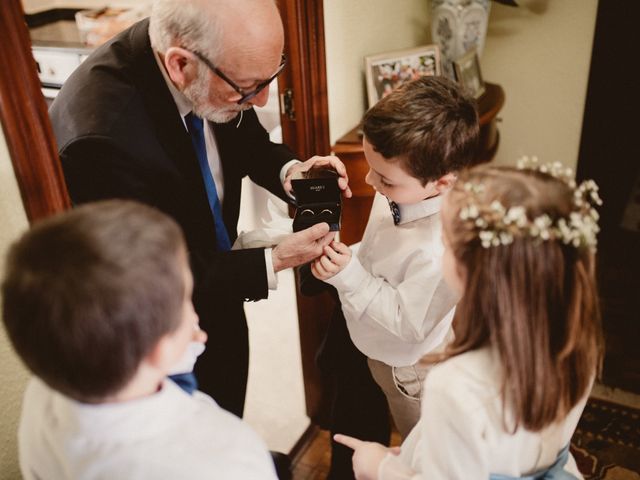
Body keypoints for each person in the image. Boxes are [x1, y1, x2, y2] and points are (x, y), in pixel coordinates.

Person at [49, 0, 351, 417]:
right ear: (179, 65)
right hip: (163, 335)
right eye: (248, 88)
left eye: (269, 79)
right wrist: (274, 259)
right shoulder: (101, 140)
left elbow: (245, 136)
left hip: (222, 295)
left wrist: (290, 170)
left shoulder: (209, 57)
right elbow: (147, 276)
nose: (261, 99)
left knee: (227, 404)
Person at [335, 161, 604, 479]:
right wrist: (416, 454)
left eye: (448, 241)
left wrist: (378, 466)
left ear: (472, 272)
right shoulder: (576, 343)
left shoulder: (455, 385)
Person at [2, 200, 279, 480]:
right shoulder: (232, 457)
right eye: (186, 299)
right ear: (160, 350)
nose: (194, 316)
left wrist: (179, 344)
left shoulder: (43, 395)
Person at [308, 76, 479, 477]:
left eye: (384, 179)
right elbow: (378, 256)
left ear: (442, 182)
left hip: (408, 371)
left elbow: (409, 323)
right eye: (371, 169)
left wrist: (349, 277)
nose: (370, 183)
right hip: (368, 340)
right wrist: (347, 258)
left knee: (423, 453)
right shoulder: (401, 193)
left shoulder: (440, 249)